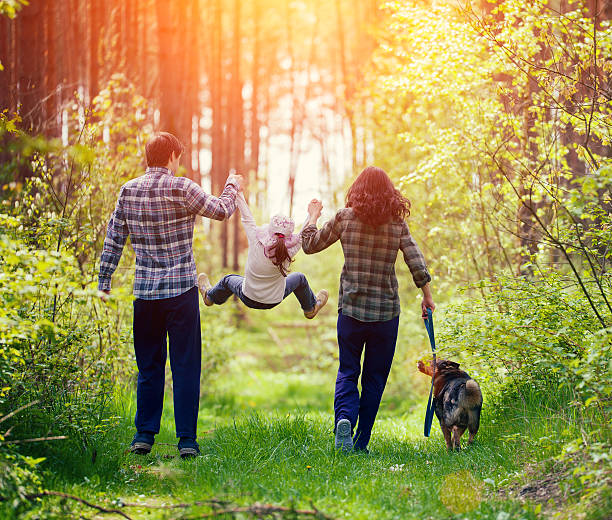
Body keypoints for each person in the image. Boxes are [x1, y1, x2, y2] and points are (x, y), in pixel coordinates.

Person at [98, 132, 242, 458]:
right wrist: (232, 185)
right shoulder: (182, 187)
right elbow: (221, 210)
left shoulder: (128, 190)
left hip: (145, 294)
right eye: (179, 156)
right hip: (180, 292)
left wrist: (104, 281)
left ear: (148, 156)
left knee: (149, 366)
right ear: (173, 156)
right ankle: (187, 441)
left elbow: (114, 238)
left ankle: (143, 436)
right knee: (185, 366)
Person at [301, 166, 435, 453]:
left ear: (357, 191)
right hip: (385, 314)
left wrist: (312, 217)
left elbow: (309, 245)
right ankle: (361, 442)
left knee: (348, 370)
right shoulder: (396, 224)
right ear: (390, 193)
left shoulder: (344, 218)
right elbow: (415, 260)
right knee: (375, 377)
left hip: (351, 310)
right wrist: (427, 297)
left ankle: (344, 420)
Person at [198, 192, 328, 318]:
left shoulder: (256, 240)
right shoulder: (291, 249)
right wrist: (312, 215)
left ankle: (209, 297)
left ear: (269, 230)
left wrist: (239, 192)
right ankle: (310, 309)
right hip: (274, 300)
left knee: (227, 280)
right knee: (300, 278)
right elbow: (304, 234)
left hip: (248, 297)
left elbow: (247, 218)